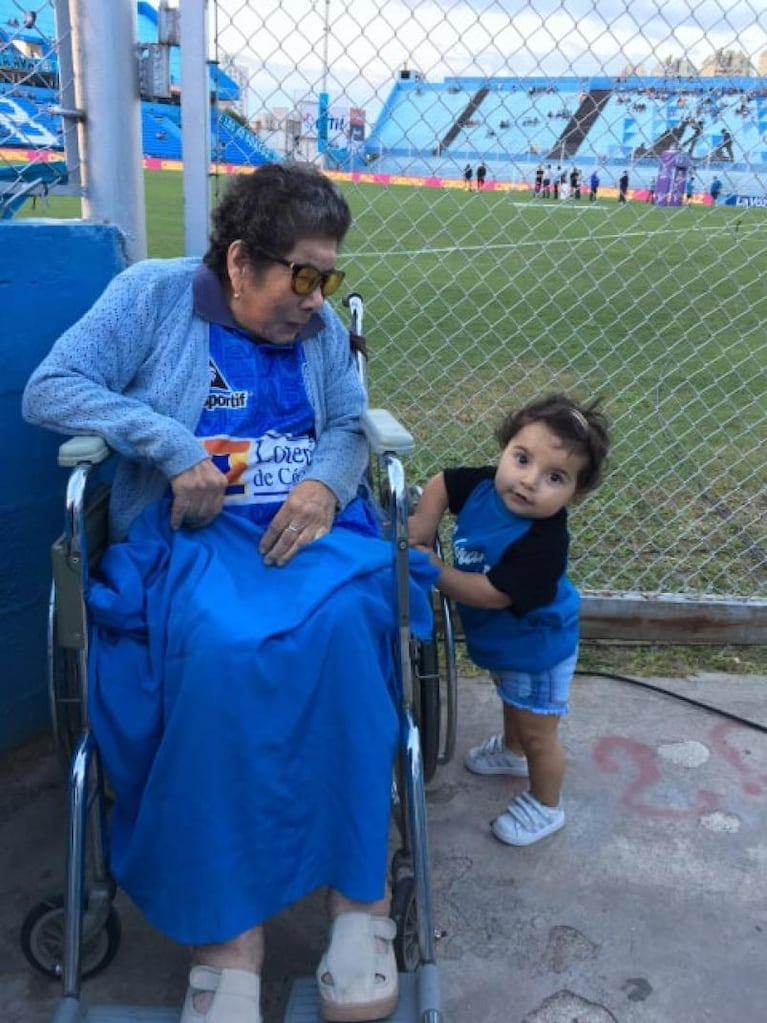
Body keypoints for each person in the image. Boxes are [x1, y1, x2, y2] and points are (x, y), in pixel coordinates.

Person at [23, 162, 436, 1023]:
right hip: (196, 538)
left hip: (310, 531)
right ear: (242, 260)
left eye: (329, 277)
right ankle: (227, 938)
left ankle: (358, 906)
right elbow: (51, 388)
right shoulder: (153, 296)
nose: (317, 299)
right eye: (303, 275)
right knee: (215, 649)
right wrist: (169, 441)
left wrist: (326, 483)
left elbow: (346, 422)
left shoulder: (319, 330)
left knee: (360, 625)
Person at [409, 394, 610, 847]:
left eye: (554, 477)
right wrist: (423, 525)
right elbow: (442, 483)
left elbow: (493, 594)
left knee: (540, 732)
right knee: (513, 703)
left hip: (537, 648)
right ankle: (512, 751)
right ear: (505, 448)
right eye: (522, 459)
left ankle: (546, 804)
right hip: (505, 645)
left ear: (574, 494)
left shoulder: (543, 541)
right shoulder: (484, 487)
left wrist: (437, 572)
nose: (528, 481)